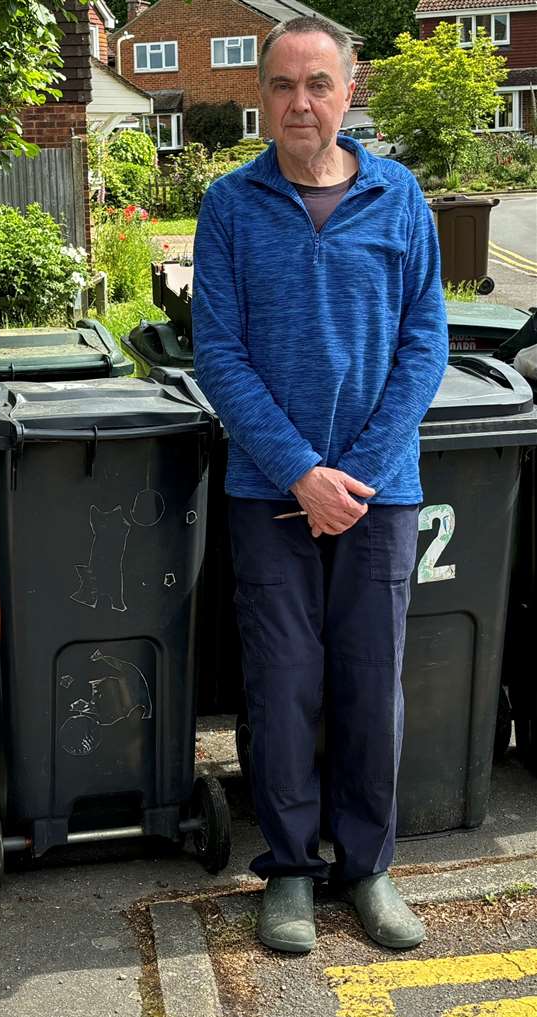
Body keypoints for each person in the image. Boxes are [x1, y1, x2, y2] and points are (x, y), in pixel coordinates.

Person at [192, 15, 448, 955]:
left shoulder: (399, 195)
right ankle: (292, 872)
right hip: (269, 491)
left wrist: (362, 475)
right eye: (280, 85)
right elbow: (216, 353)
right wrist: (300, 472)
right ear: (260, 98)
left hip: (381, 492)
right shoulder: (228, 205)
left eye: (316, 84)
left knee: (369, 683)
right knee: (283, 684)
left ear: (350, 91)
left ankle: (368, 868)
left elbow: (426, 344)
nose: (298, 102)